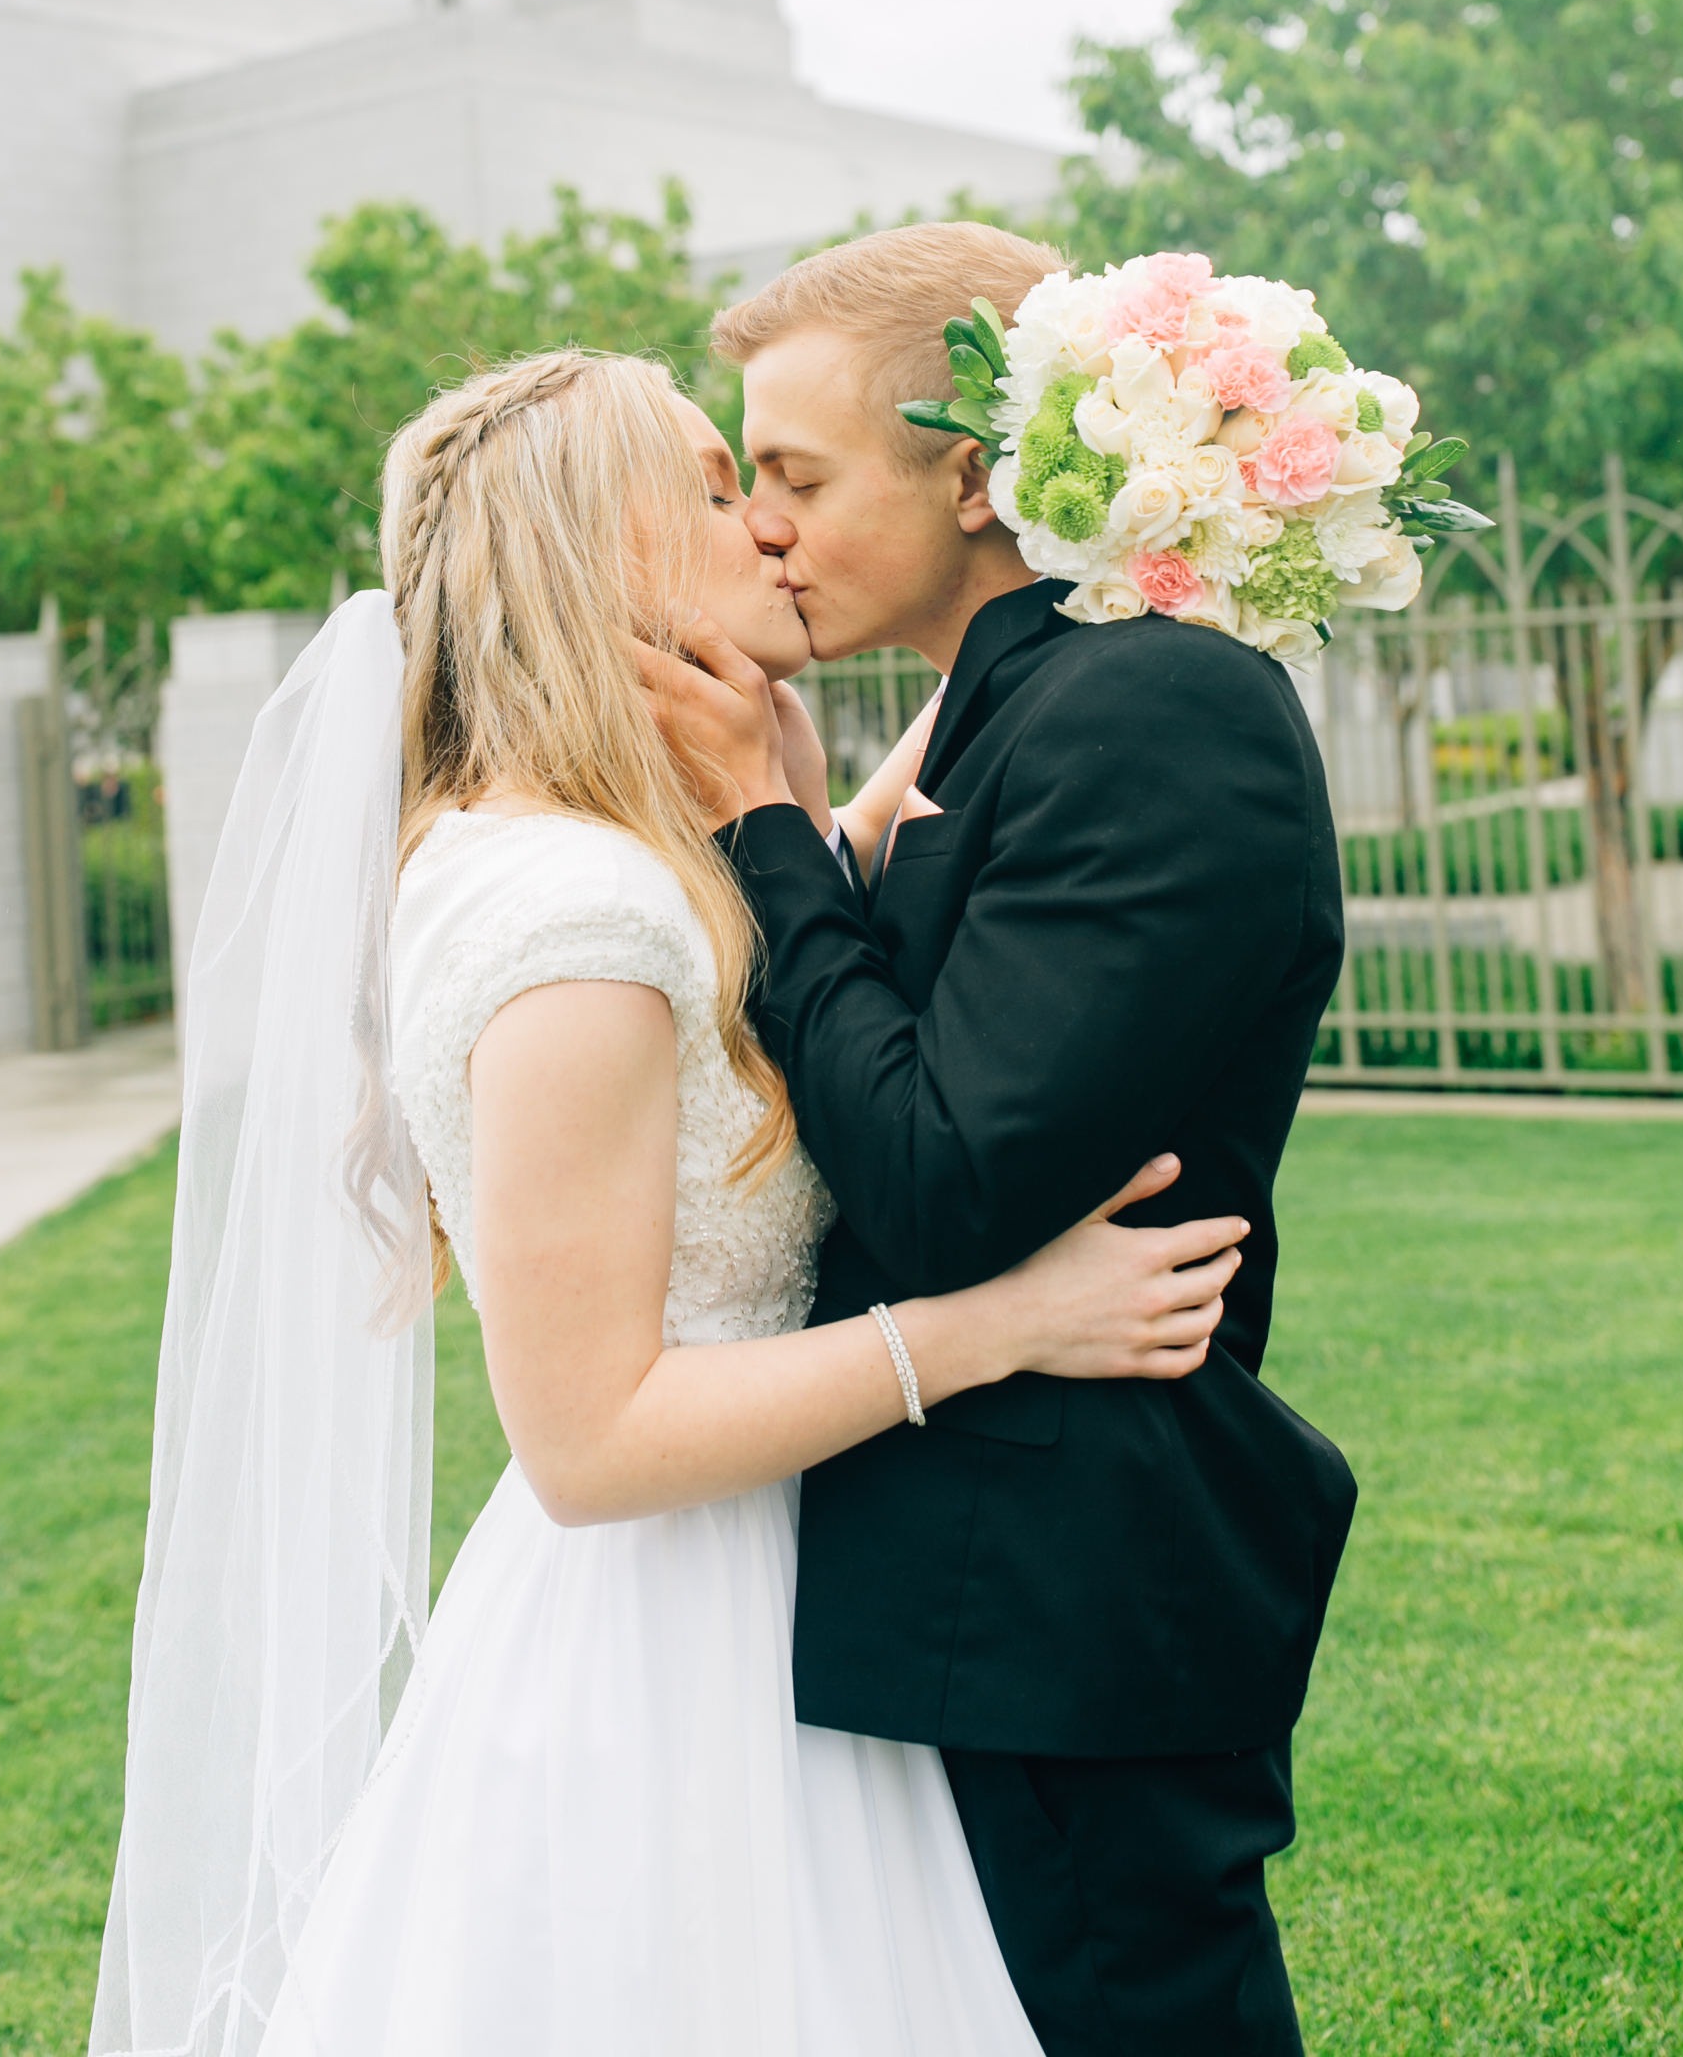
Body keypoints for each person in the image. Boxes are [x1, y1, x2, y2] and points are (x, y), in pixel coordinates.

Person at [91, 346, 1253, 2057]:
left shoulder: (623, 863)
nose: (771, 530)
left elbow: (822, 883)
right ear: (608, 559)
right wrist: (1000, 1326)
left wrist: (1143, 508)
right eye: (720, 493)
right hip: (668, 1658)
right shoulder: (575, 926)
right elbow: (591, 1441)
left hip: (787, 1583)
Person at [643, 221, 1358, 2057]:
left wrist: (771, 838)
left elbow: (948, 1175)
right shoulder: (1015, 699)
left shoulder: (1158, 708)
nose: (766, 525)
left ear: (969, 472)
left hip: (1069, 1583)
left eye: (797, 475)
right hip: (974, 1563)